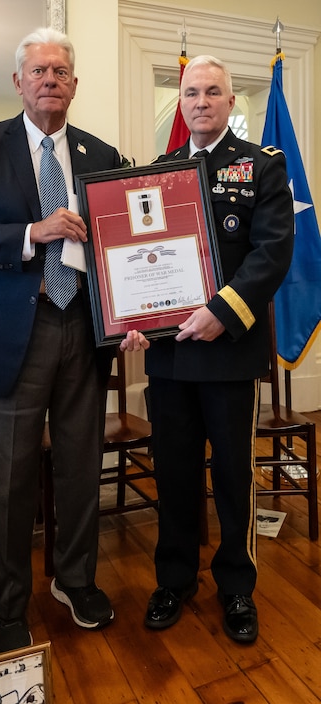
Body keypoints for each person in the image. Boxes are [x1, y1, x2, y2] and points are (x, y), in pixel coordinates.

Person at [0, 27, 121, 653]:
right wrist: (31, 233)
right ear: (18, 82)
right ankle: (8, 602)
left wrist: (131, 318)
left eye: (61, 71)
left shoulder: (104, 156)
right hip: (14, 328)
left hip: (85, 328)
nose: (50, 80)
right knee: (11, 477)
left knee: (79, 466)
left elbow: (122, 250)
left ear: (74, 84)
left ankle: (75, 580)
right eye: (39, 71)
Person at [121, 55, 293, 643]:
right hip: (169, 358)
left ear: (229, 102)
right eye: (190, 91)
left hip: (229, 351)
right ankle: (174, 579)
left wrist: (223, 313)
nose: (199, 101)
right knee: (173, 471)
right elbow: (138, 257)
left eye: (212, 92)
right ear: (181, 101)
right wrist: (135, 318)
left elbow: (271, 254)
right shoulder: (159, 171)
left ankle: (237, 587)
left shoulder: (261, 166)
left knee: (234, 473)